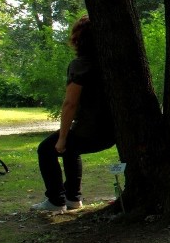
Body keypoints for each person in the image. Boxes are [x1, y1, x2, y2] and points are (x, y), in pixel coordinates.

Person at [33, 15, 115, 214]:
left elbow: (70, 103)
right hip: (110, 133)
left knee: (46, 150)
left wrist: (61, 138)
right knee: (71, 150)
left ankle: (55, 200)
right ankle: (72, 198)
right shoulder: (110, 63)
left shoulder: (81, 65)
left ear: (79, 39)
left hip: (90, 131)